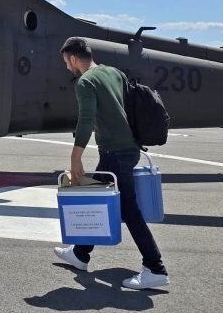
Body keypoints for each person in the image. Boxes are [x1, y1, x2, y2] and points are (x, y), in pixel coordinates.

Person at [53, 37, 169, 289]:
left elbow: (86, 119)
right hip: (129, 148)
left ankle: (155, 267)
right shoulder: (114, 73)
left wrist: (75, 157)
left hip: (115, 152)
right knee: (99, 201)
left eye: (66, 62)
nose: (66, 67)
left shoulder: (85, 82)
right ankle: (80, 253)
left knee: (128, 210)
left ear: (73, 58)